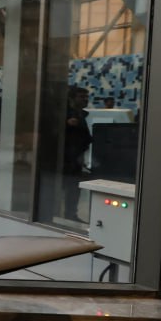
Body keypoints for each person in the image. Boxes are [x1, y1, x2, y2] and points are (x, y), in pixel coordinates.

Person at [61, 86, 92, 222]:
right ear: (72, 98)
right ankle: (68, 213)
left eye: (86, 97)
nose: (85, 99)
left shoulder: (79, 115)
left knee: (73, 187)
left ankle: (70, 213)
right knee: (70, 186)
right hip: (67, 157)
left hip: (75, 156)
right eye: (81, 97)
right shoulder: (68, 115)